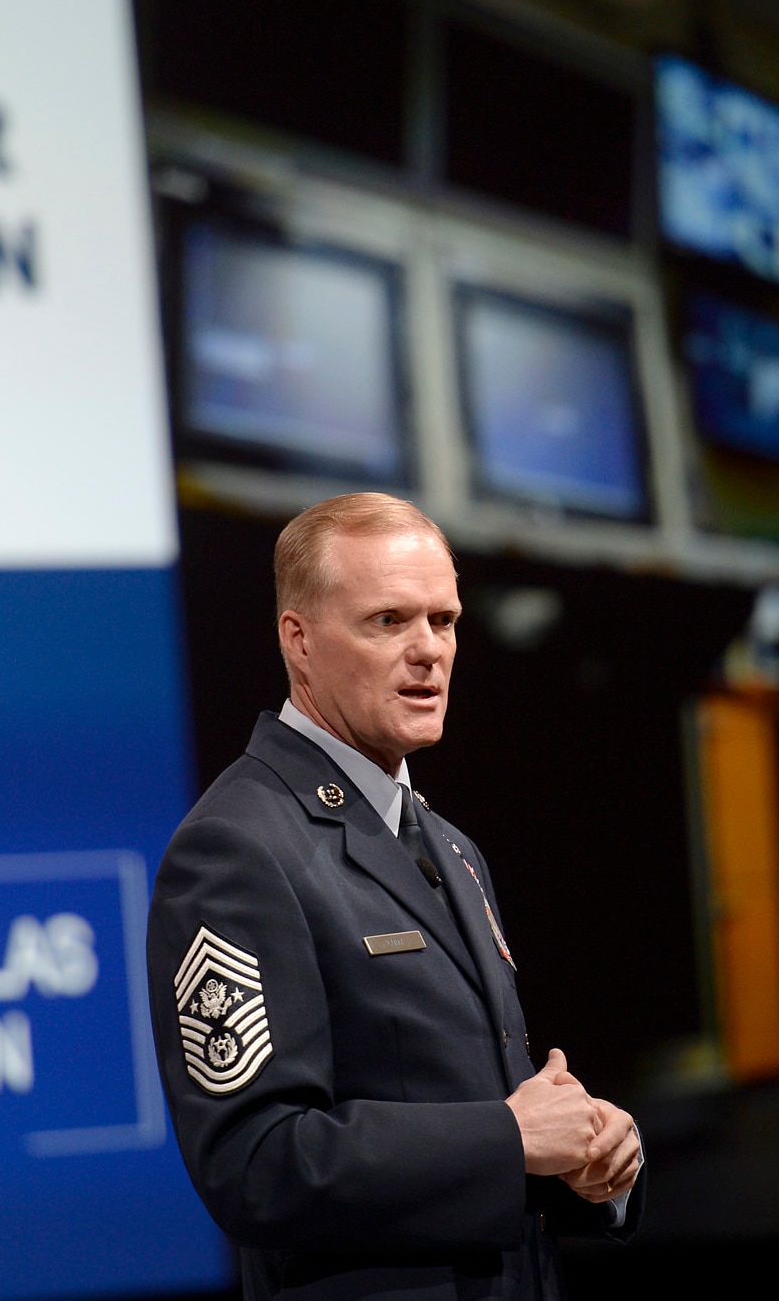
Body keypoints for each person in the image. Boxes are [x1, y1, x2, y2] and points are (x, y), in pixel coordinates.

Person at [148, 493, 643, 1301]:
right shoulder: (236, 849)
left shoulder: (452, 846)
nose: (429, 652)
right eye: (388, 621)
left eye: (442, 621)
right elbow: (257, 1163)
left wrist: (588, 1156)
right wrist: (509, 1136)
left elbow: (474, 1125)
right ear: (298, 640)